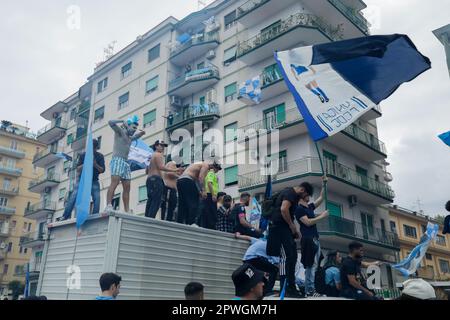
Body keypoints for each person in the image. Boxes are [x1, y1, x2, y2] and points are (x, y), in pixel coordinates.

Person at [266, 183, 312, 298]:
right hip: (279, 229)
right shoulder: (290, 193)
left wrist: (293, 230)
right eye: (306, 194)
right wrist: (292, 226)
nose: (305, 197)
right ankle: (284, 288)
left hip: (285, 230)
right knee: (285, 258)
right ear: (302, 190)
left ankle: (291, 288)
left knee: (293, 257)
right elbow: (283, 209)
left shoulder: (293, 195)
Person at [295, 176, 328, 297]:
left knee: (313, 265)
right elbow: (307, 222)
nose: (310, 197)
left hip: (314, 238)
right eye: (309, 194)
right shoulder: (298, 209)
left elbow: (321, 198)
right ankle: (309, 290)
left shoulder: (308, 207)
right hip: (308, 239)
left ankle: (311, 290)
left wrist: (324, 184)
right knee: (310, 265)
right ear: (304, 195)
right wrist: (322, 216)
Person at [58, 139, 105, 221]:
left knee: (97, 198)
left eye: (94, 148)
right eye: (91, 147)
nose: (92, 149)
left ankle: (95, 216)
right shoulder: (83, 155)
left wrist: (95, 164)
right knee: (74, 196)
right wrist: (86, 163)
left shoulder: (100, 156)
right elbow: (78, 169)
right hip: (82, 180)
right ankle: (65, 216)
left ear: (96, 148)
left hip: (94, 180)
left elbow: (102, 170)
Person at [105, 117, 145, 213]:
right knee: (114, 182)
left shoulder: (130, 138)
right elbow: (110, 121)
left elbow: (136, 136)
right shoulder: (120, 132)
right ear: (127, 125)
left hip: (126, 163)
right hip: (117, 160)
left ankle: (127, 209)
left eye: (136, 128)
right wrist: (122, 121)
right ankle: (108, 205)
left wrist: (142, 133)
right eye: (133, 127)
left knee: (127, 187)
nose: (134, 130)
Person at [145, 141, 180, 218]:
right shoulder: (159, 155)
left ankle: (146, 218)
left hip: (149, 180)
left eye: (164, 146)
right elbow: (161, 167)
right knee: (156, 200)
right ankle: (150, 219)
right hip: (156, 179)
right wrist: (174, 170)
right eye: (161, 145)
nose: (163, 148)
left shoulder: (150, 156)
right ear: (156, 146)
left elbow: (146, 171)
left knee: (150, 200)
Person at [200, 164, 222, 229]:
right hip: (210, 194)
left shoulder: (210, 173)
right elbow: (209, 183)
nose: (218, 170)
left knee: (209, 211)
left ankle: (209, 225)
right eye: (217, 168)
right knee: (211, 211)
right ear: (214, 167)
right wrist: (213, 195)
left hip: (210, 194)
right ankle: (211, 226)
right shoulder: (211, 173)